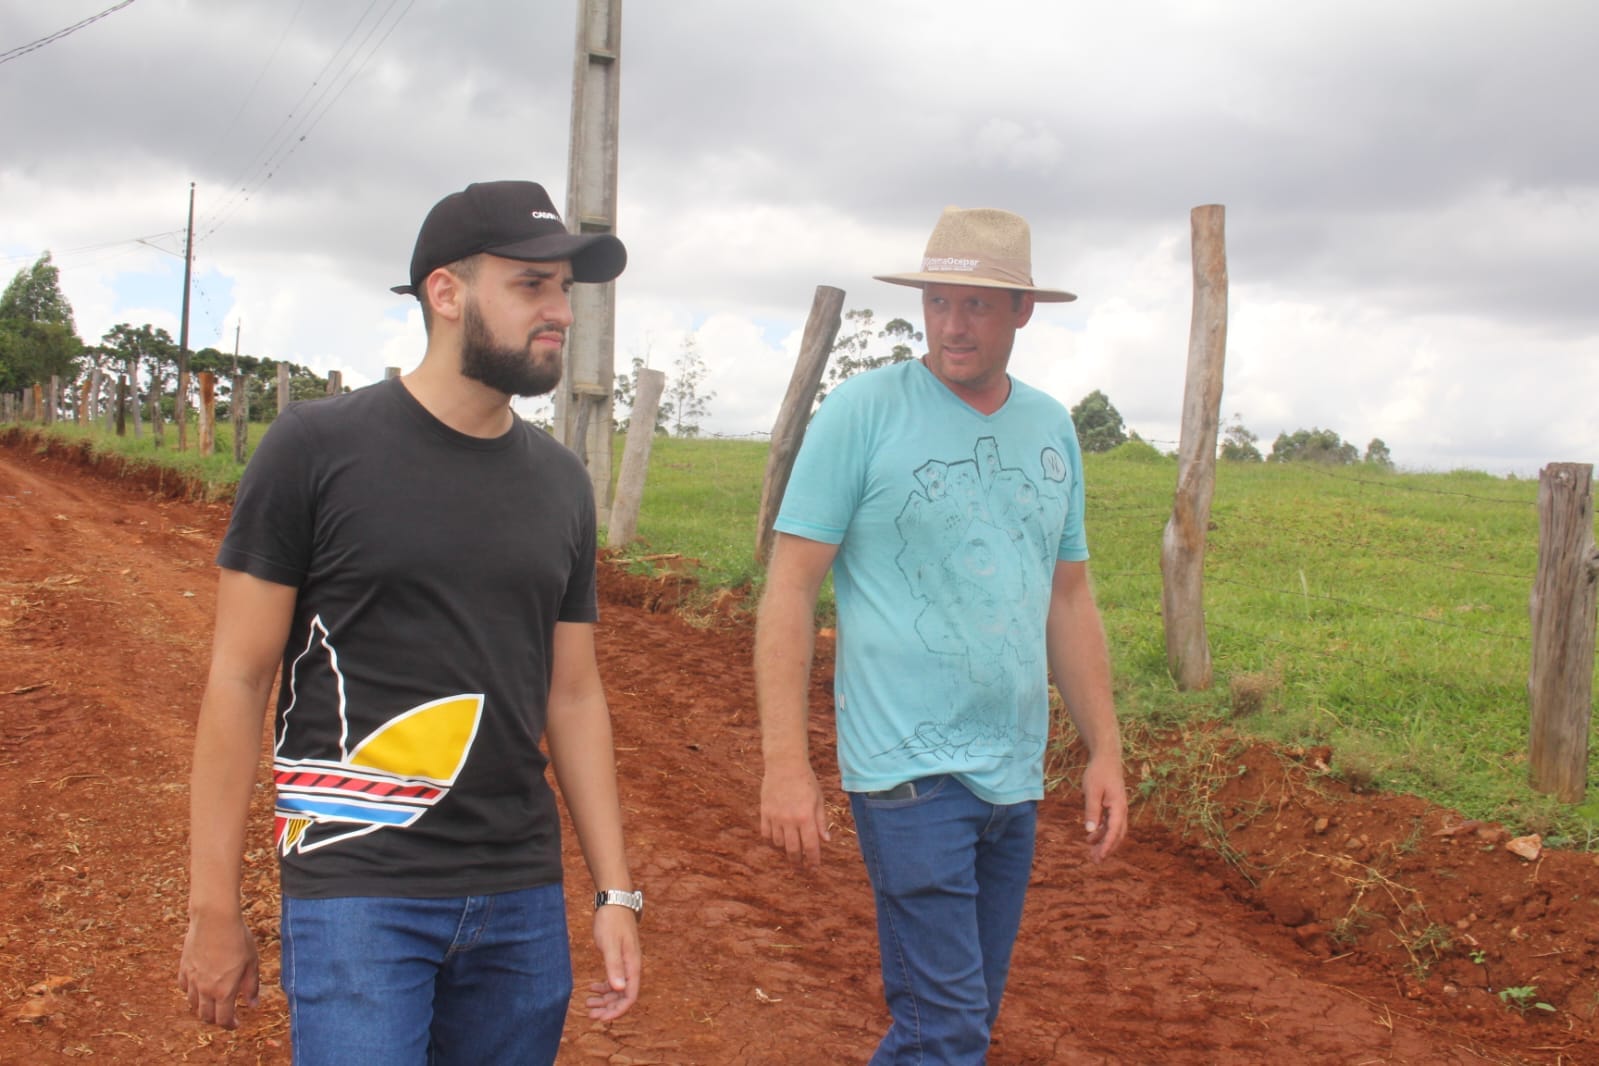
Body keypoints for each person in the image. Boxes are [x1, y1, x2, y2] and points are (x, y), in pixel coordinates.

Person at [178, 180, 642, 1065]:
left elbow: (574, 696)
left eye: (564, 290)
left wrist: (615, 893)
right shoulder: (316, 449)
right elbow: (238, 679)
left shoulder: (560, 484)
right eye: (531, 286)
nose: (559, 313)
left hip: (519, 897)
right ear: (446, 292)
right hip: (358, 886)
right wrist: (213, 905)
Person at [756, 205, 1128, 1063]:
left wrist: (1102, 747)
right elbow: (789, 588)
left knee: (961, 1020)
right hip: (907, 772)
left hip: (1013, 774)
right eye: (937, 302)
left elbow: (1066, 597)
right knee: (947, 1030)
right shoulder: (863, 412)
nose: (952, 325)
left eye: (978, 305)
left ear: (1021, 310)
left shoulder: (1050, 429)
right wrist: (786, 764)